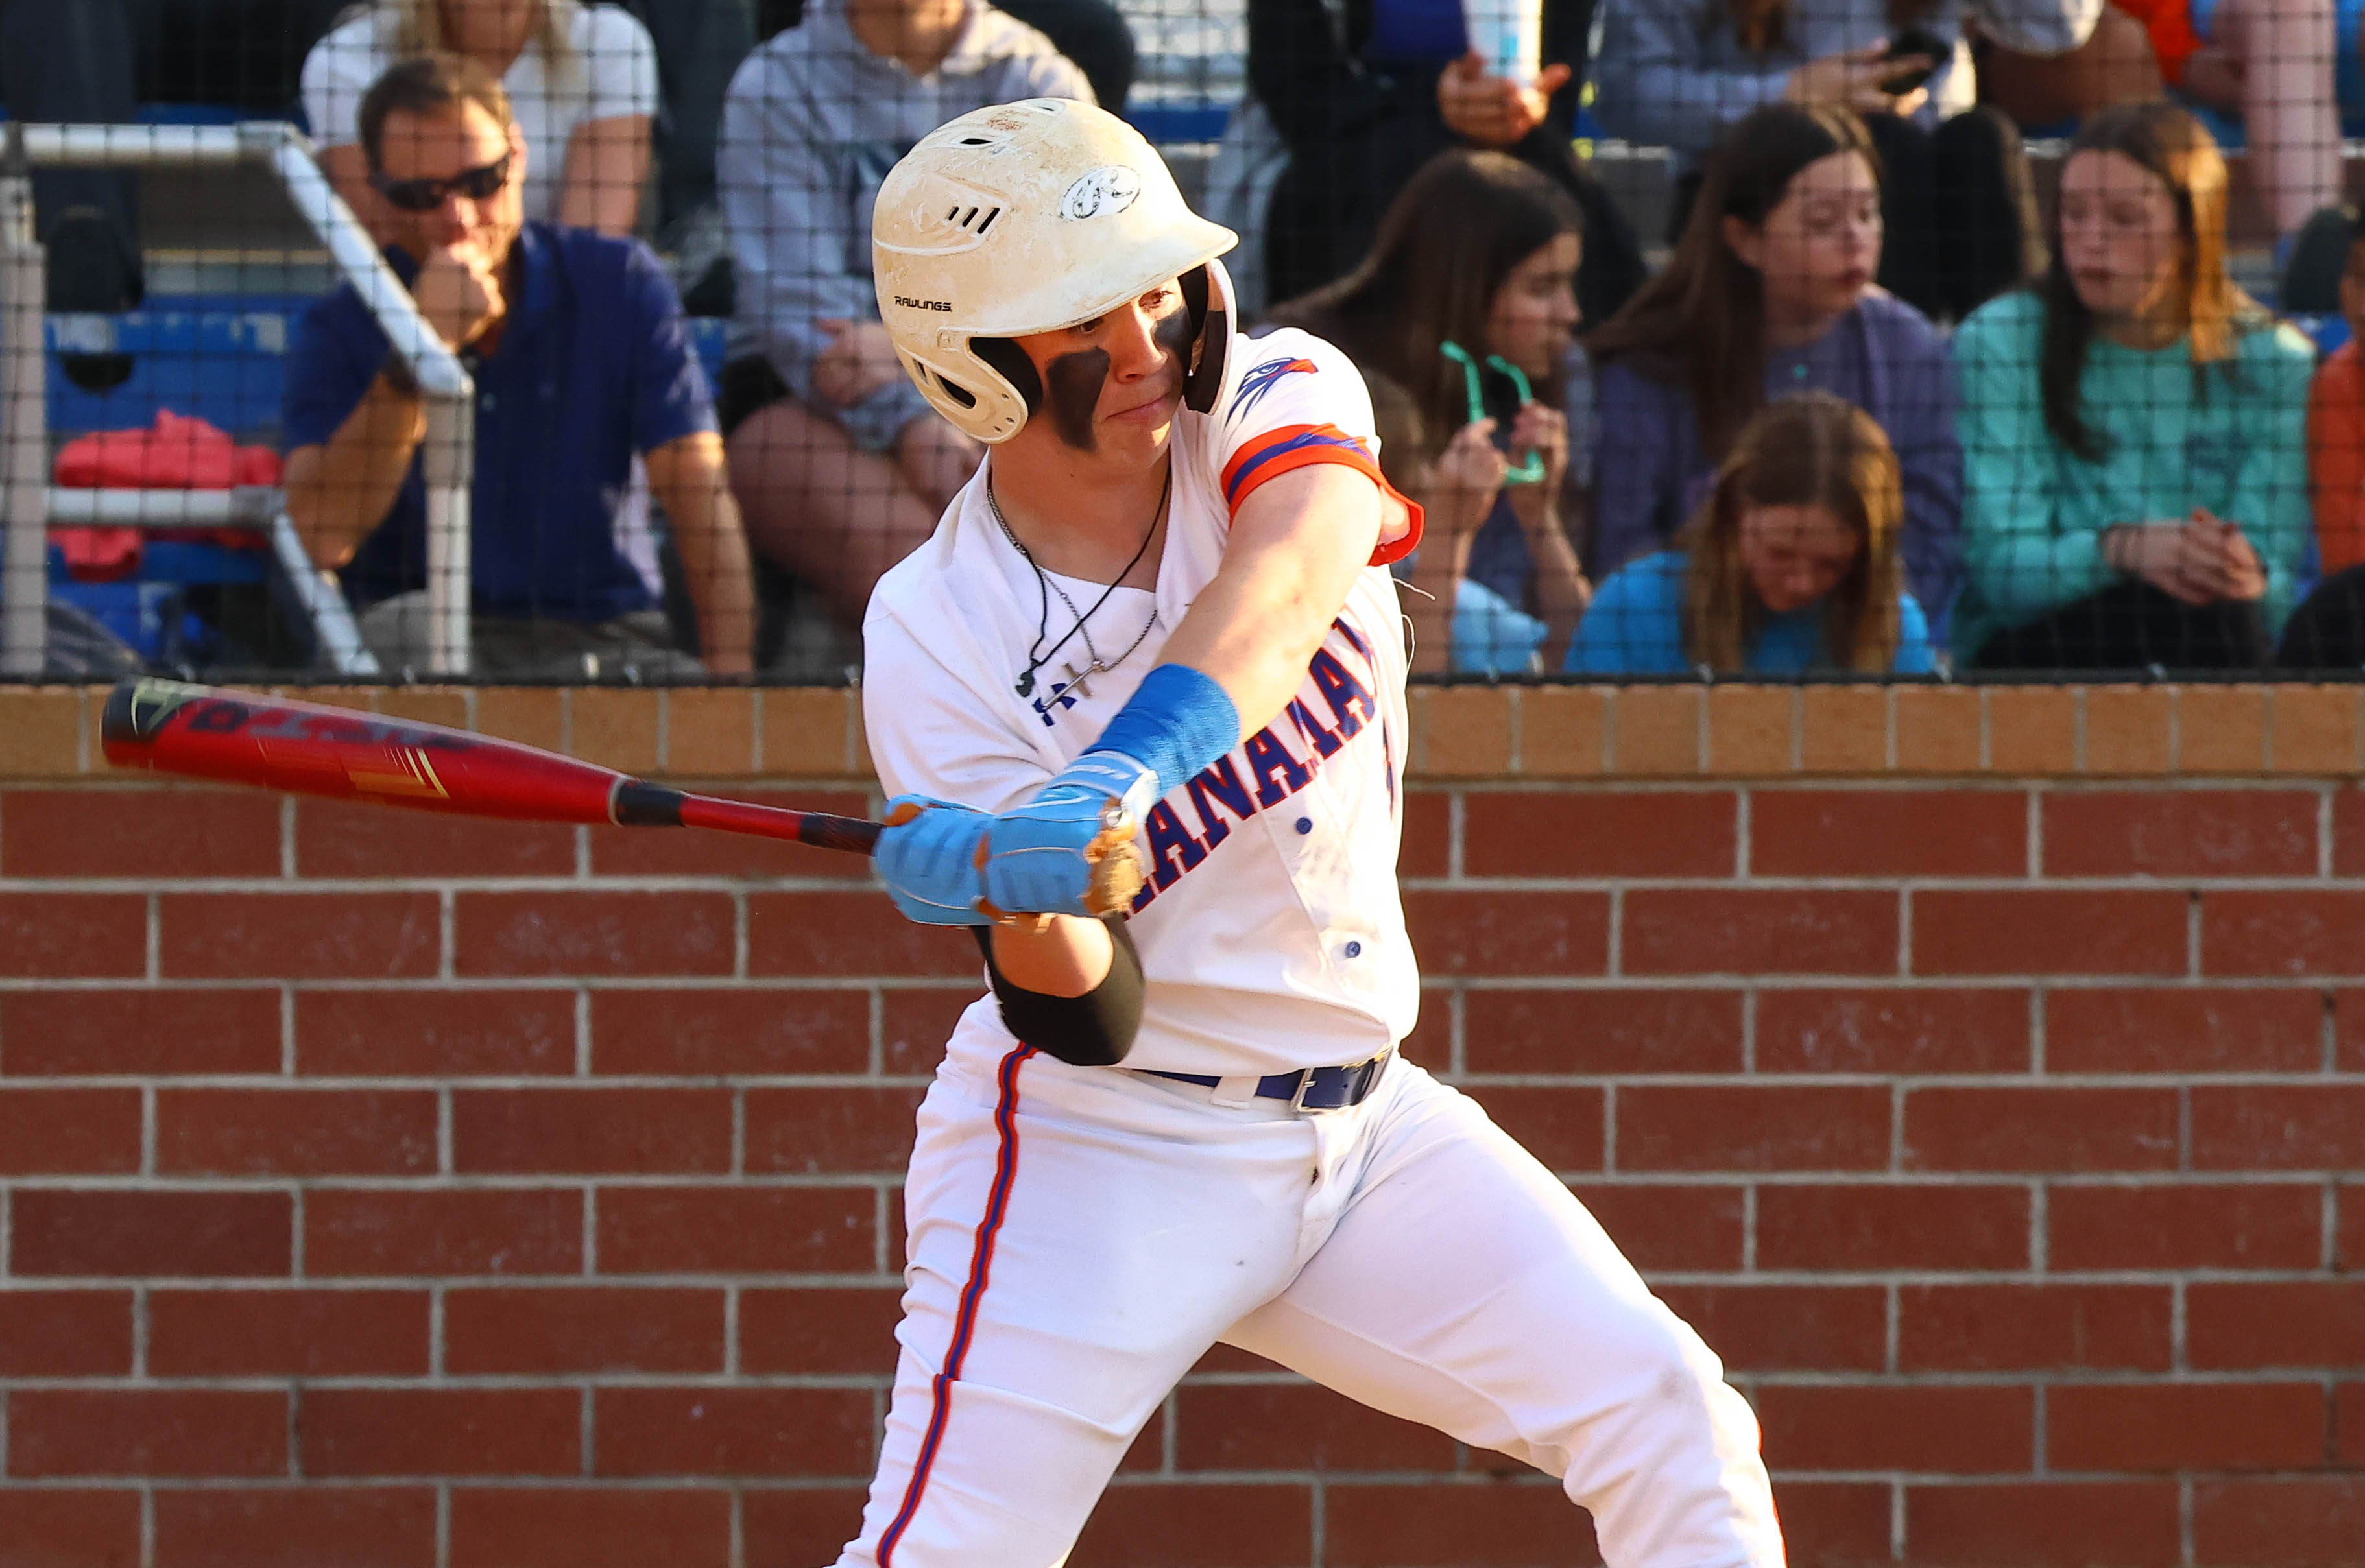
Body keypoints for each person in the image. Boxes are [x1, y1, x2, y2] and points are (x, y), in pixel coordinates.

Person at [850, 96, 1787, 1568]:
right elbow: (1078, 1012)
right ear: (964, 366)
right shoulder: (930, 630)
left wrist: (1116, 775)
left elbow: (1286, 576)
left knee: (1666, 1410)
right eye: (1088, 314)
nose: (1154, 338)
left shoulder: (1279, 386)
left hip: (1364, 1128)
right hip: (1105, 1150)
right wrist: (1009, 891)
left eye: (1161, 287)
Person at [282, 53, 756, 678]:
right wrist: (416, 357)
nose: (458, 217)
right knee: (398, 640)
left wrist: (732, 677)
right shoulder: (343, 325)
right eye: (421, 194)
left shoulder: (618, 282)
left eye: (481, 182)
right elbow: (319, 537)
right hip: (424, 641)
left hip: (607, 636)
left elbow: (697, 484)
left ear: (519, 156)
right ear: (379, 194)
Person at [715, 0, 1090, 634]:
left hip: (1007, 393)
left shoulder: (1041, 87)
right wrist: (914, 423)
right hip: (799, 399)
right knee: (920, 574)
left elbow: (1073, 296)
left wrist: (905, 356)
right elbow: (801, 319)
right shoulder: (774, 84)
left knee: (1029, 559)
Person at [1952, 100, 2312, 670]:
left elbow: (2276, 594)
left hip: (2211, 629)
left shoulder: (2278, 362)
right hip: (2035, 647)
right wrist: (2126, 550)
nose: (2092, 241)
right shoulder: (2001, 340)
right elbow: (2004, 575)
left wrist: (2241, 571)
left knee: (2225, 618)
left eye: (2124, 218)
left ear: (2191, 232)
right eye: (2074, 215)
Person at [1587, 102, 1963, 627]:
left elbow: (1931, 541)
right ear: (1745, 239)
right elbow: (1622, 547)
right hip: (1686, 645)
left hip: (1854, 645)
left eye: (1867, 213)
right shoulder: (1650, 365)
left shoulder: (1913, 351)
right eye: (1823, 221)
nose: (1855, 239)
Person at [1266, 148, 1591, 674]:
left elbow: (1591, 662)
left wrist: (1542, 518)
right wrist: (1445, 532)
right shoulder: (1310, 369)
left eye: (1569, 284)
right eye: (1541, 289)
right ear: (1462, 285)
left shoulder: (1556, 383)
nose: (1570, 314)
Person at [1589, 0, 2072, 320]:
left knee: (1981, 138)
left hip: (1947, 191)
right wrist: (1788, 97)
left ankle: (2013, 399)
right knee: (1883, 148)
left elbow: (2060, 26)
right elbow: (1626, 94)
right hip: (1762, 188)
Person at [1245, 0, 1646, 328]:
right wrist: (1436, 104)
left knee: (1607, 271)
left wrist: (1517, 103)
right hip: (1357, 148)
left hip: (1521, 145)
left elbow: (1559, 82)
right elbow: (1294, 86)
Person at [0, 0, 350, 332]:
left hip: (222, 33)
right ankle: (88, 322)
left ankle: (392, 300)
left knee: (366, 22)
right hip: (93, 28)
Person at [1567, 391, 1937, 673]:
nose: (1801, 583)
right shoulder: (1632, 607)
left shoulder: (1896, 629)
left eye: (1831, 564)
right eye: (1780, 553)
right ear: (1735, 512)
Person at [304, 0, 657, 239]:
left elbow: (588, 254)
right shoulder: (342, 61)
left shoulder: (613, 44)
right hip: (406, 313)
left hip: (560, 322)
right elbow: (393, 253)